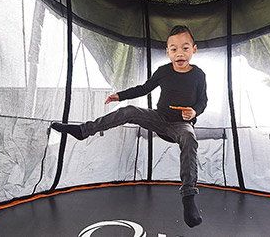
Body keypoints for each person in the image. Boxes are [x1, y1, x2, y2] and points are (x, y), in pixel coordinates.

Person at [52, 25, 207, 228]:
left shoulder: (199, 75)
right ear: (168, 52)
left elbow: (202, 101)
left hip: (181, 125)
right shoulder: (163, 72)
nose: (180, 53)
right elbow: (144, 88)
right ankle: (83, 131)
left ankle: (188, 196)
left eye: (185, 48)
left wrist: (194, 112)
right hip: (159, 118)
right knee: (130, 111)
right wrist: (120, 95)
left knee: (189, 137)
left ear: (193, 50)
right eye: (174, 49)